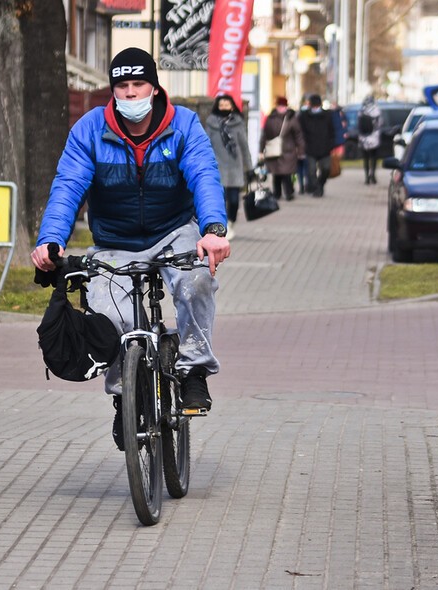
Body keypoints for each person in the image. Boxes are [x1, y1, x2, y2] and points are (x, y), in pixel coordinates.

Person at [30, 47, 230, 451]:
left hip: (175, 231)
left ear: (154, 88)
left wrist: (213, 229)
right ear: (113, 90)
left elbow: (205, 175)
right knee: (107, 314)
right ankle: (125, 397)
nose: (131, 93)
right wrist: (50, 240)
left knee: (196, 284)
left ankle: (193, 370)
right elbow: (68, 186)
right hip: (114, 241)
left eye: (139, 84)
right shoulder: (89, 129)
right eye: (122, 86)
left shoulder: (184, 125)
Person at [205, 94, 252, 239]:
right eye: (221, 105)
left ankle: (231, 222)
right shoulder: (211, 124)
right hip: (217, 167)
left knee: (233, 200)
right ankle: (222, 225)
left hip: (235, 168)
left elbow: (244, 147)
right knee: (220, 199)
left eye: (227, 105)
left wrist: (249, 168)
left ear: (232, 106)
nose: (224, 107)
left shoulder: (238, 123)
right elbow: (206, 145)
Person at [259, 96, 305, 201]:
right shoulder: (270, 118)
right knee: (277, 174)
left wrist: (300, 149)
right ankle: (277, 193)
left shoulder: (291, 118)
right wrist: (261, 150)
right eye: (280, 106)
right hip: (274, 150)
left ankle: (289, 192)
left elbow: (298, 135)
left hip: (288, 150)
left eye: (283, 106)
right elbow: (264, 135)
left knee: (287, 173)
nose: (281, 108)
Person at [297, 94, 337, 197]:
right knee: (311, 171)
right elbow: (300, 132)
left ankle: (320, 184)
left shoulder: (327, 115)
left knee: (326, 169)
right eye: (313, 106)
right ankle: (317, 188)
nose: (315, 108)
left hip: (325, 148)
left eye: (317, 106)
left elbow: (332, 131)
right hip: (310, 148)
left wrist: (331, 145)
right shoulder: (304, 116)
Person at [357, 95, 383, 184]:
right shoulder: (377, 110)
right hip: (374, 138)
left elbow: (359, 125)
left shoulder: (361, 111)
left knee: (365, 159)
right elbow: (380, 124)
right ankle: (373, 175)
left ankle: (366, 177)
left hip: (363, 139)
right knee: (374, 158)